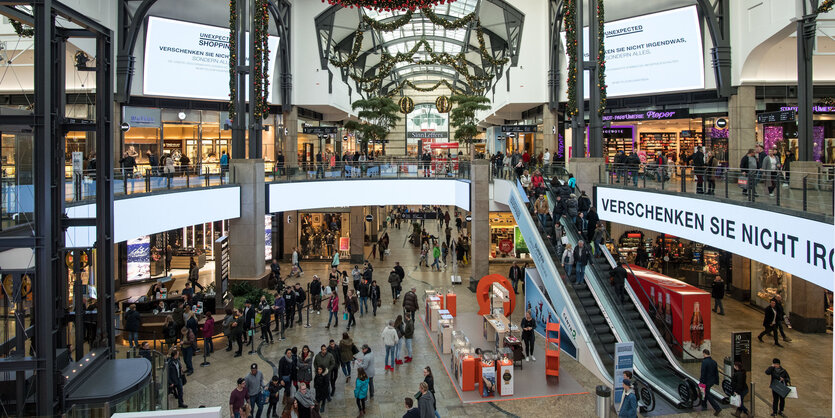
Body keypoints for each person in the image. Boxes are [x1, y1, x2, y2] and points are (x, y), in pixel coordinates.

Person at [699, 349, 721, 416]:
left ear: (704, 354)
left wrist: (701, 382)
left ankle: (717, 408)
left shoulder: (704, 362)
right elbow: (716, 372)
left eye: (703, 354)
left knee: (707, 394)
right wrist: (716, 381)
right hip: (712, 381)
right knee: (705, 392)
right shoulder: (714, 362)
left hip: (706, 381)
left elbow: (703, 373)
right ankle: (704, 404)